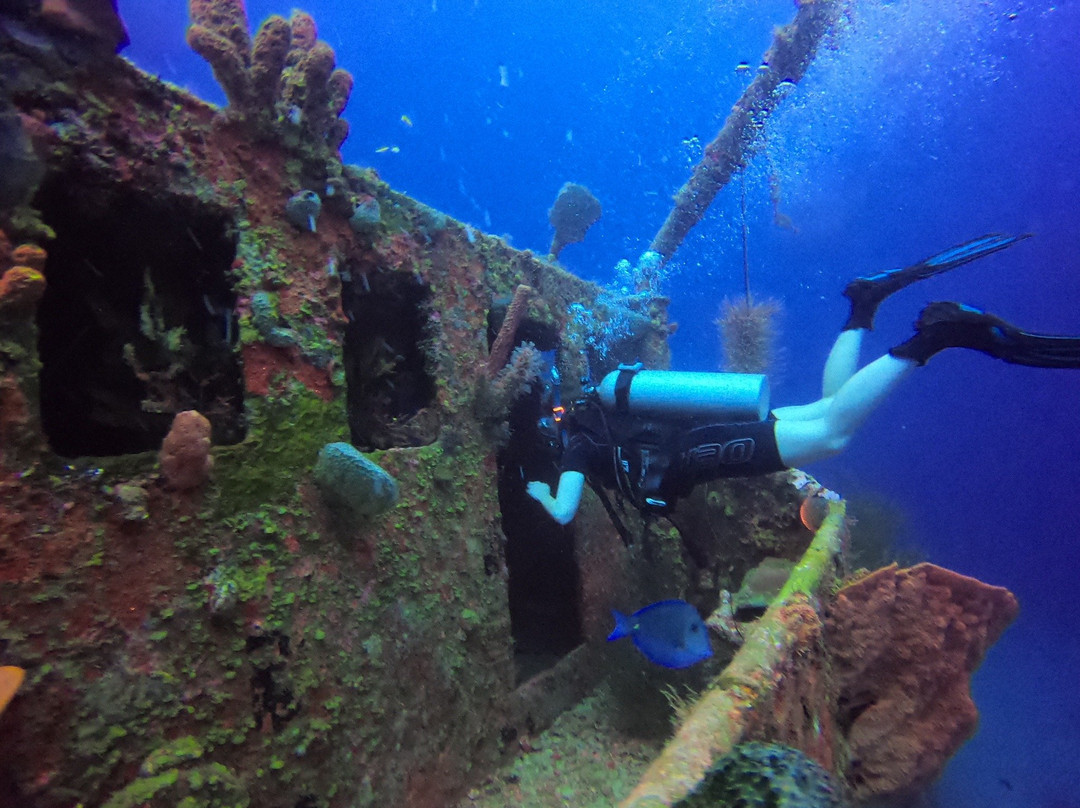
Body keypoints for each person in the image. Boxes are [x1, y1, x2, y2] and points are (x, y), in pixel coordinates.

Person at [526, 233, 1080, 525]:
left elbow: (564, 509)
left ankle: (935, 336)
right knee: (829, 404)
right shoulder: (588, 416)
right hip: (703, 430)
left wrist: (538, 490)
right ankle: (863, 304)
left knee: (834, 433)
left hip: (705, 450)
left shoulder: (575, 444)